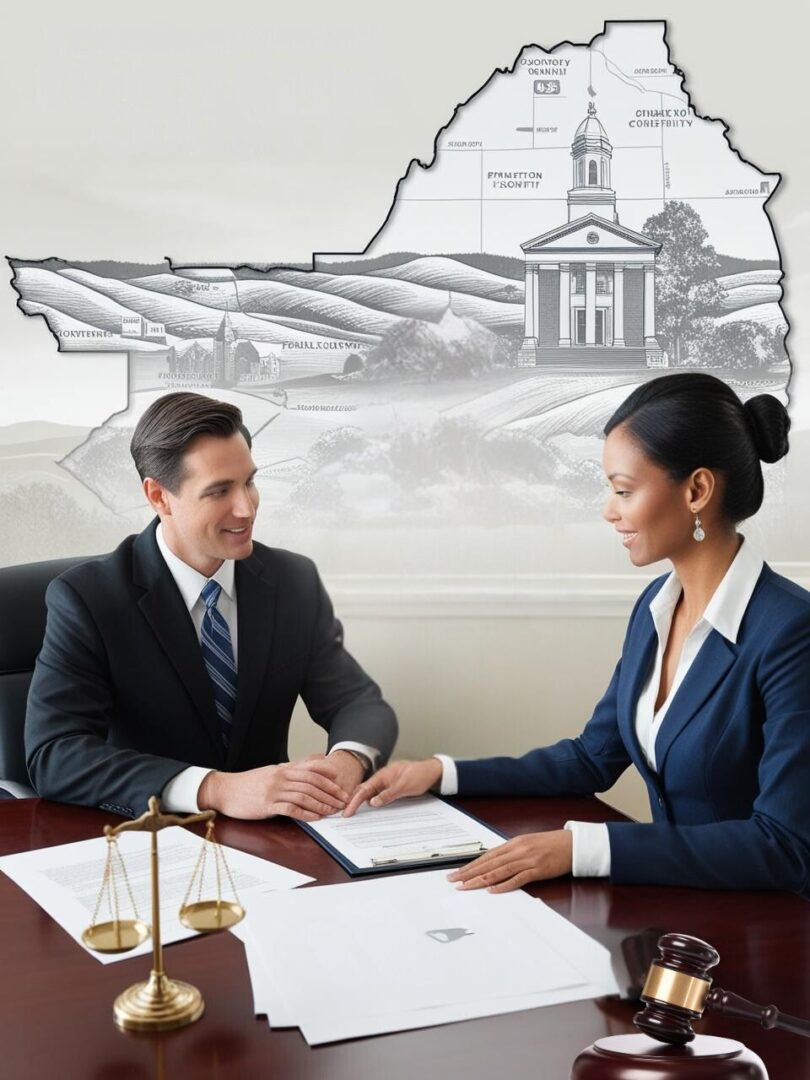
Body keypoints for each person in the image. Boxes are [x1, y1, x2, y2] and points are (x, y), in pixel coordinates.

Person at [345, 373, 810, 898]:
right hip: (679, 908)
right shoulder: (656, 607)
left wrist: (583, 848)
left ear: (697, 489)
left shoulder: (791, 633)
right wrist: (440, 772)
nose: (609, 510)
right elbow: (591, 757)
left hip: (766, 928)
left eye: (623, 490)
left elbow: (786, 846)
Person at [25, 393, 397, 820]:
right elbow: (54, 754)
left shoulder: (293, 581)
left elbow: (359, 702)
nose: (247, 507)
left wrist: (347, 760)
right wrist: (215, 788)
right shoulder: (88, 599)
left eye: (250, 482)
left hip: (274, 839)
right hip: (149, 841)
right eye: (220, 490)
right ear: (159, 497)